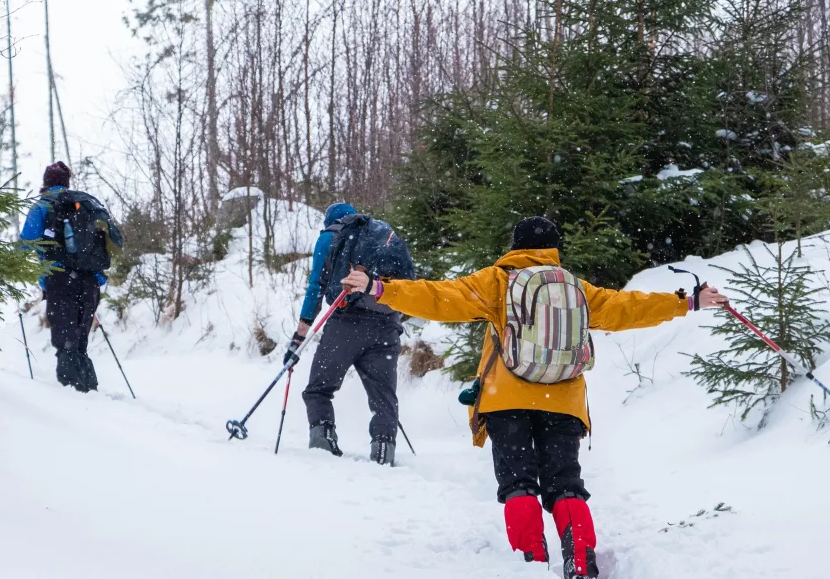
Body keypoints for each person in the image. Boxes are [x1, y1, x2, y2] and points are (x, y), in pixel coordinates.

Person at [340, 216, 728, 579]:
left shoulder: (497, 281)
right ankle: (579, 560)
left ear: (516, 245)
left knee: (518, 482)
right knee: (565, 483)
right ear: (554, 249)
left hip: (505, 398)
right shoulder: (574, 286)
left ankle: (533, 562)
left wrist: (379, 288)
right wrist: (688, 301)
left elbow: (439, 298)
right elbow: (628, 308)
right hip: (562, 399)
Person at [285, 203, 410, 465]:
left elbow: (315, 286)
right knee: (383, 397)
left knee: (318, 390)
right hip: (387, 324)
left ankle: (323, 450)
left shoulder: (330, 237)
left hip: (346, 323)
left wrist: (299, 337)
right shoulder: (383, 233)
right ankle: (383, 452)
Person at [21, 161, 117, 393]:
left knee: (66, 343)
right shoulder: (84, 204)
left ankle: (73, 400)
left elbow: (26, 242)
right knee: (79, 343)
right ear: (67, 182)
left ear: (46, 182)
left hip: (60, 279)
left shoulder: (44, 205)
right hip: (90, 281)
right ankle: (88, 392)